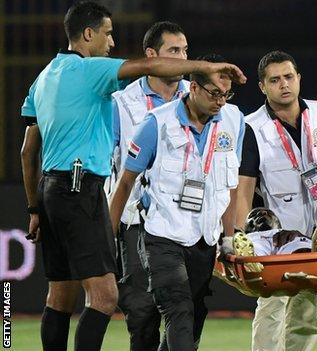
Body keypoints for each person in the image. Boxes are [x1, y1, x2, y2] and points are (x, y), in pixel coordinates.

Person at [19, 2, 245, 349]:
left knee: (60, 295)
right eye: (108, 34)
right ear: (89, 34)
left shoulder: (45, 76)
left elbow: (27, 151)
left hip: (51, 187)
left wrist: (35, 208)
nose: (112, 43)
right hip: (81, 189)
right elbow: (148, 66)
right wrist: (207, 65)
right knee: (105, 297)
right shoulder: (90, 70)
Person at [109, 53, 244, 350]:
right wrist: (109, 238)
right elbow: (126, 182)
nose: (221, 102)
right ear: (193, 87)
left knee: (191, 319)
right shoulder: (156, 123)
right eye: (214, 94)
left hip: (204, 241)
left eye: (226, 94)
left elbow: (231, 185)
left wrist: (230, 236)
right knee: (178, 310)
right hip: (162, 237)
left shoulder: (234, 122)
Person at [232, 50, 317, 351]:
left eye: (289, 77)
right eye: (274, 80)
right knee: (272, 307)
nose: (284, 84)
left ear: (299, 78)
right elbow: (244, 187)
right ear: (263, 87)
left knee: (305, 311)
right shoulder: (252, 127)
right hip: (278, 238)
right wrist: (237, 235)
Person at [109, 21, 190, 350]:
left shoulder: (198, 97)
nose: (183, 58)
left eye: (185, 51)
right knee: (142, 316)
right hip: (137, 226)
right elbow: (105, 165)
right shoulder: (121, 103)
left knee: (186, 313)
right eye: (174, 51)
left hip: (187, 223)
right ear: (151, 55)